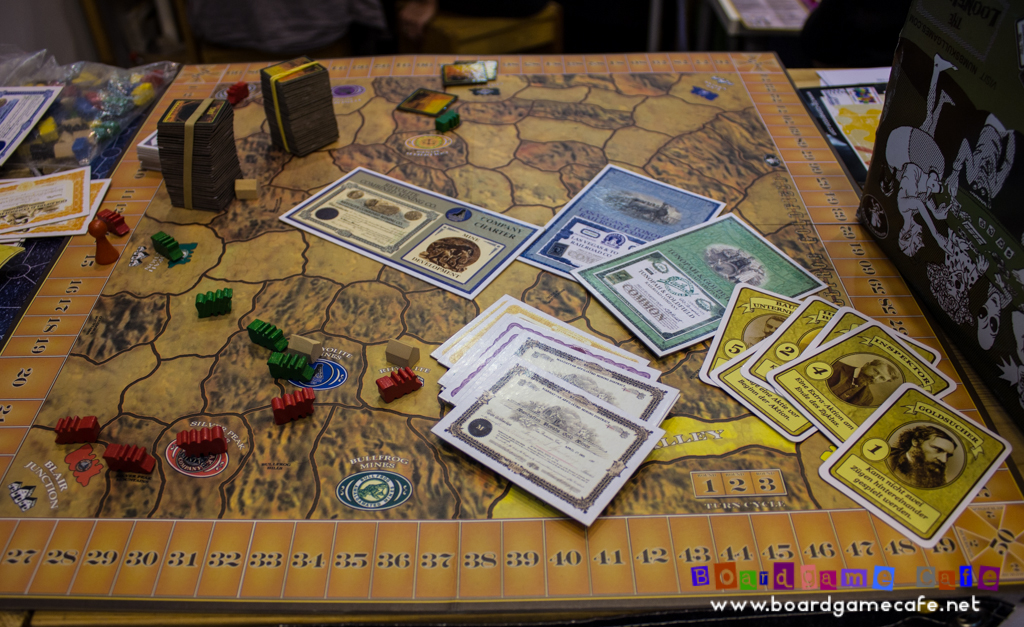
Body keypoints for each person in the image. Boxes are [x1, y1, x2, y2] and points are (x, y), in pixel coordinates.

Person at [887, 425, 958, 488]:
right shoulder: (888, 456)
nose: (944, 460)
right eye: (938, 450)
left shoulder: (937, 478)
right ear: (916, 442)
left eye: (948, 455)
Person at [827, 358, 898, 406]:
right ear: (866, 365)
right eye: (875, 371)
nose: (875, 377)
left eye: (882, 378)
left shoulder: (867, 399)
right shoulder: (834, 366)